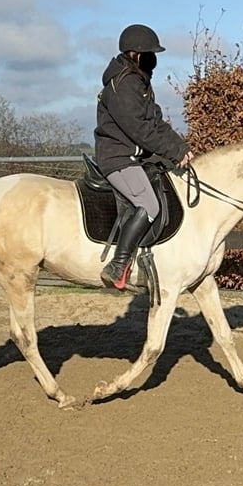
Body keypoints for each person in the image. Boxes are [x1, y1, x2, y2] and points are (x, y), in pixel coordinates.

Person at [94, 24, 194, 290]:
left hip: (134, 157)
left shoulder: (140, 82)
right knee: (150, 205)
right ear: (134, 54)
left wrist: (181, 148)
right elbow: (140, 129)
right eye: (149, 53)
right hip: (117, 158)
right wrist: (172, 151)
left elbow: (157, 123)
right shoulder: (124, 84)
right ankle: (117, 266)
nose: (154, 58)